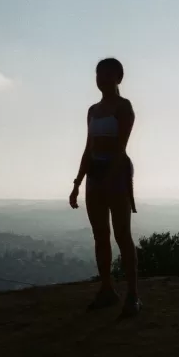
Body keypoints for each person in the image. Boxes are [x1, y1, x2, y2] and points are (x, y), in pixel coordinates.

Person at [69, 58, 141, 317]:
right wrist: (77, 183)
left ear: (119, 78)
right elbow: (88, 148)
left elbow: (121, 148)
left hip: (117, 173)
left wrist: (111, 177)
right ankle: (107, 289)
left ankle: (133, 295)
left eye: (107, 75)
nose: (102, 79)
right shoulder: (92, 110)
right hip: (95, 174)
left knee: (122, 235)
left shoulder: (124, 107)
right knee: (100, 236)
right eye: (99, 74)